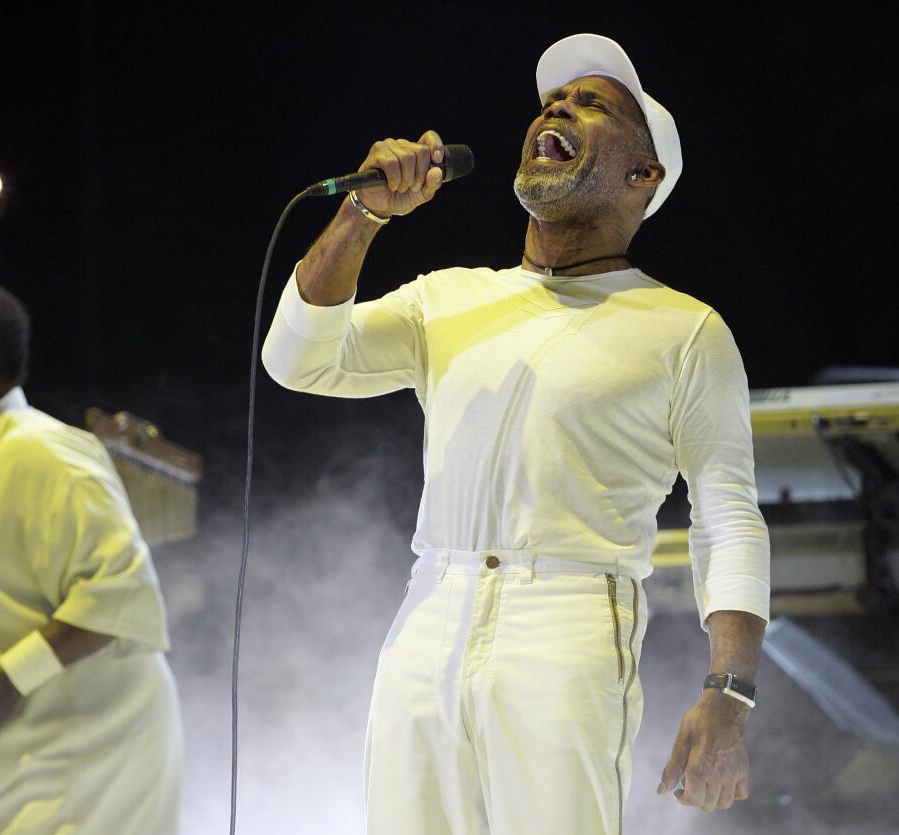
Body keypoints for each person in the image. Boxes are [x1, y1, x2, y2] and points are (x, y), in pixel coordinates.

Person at [261, 33, 769, 834]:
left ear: (645, 173)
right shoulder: (452, 296)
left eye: (591, 104)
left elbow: (730, 518)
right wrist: (363, 214)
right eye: (551, 102)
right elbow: (296, 358)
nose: (558, 107)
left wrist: (729, 693)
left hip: (568, 616)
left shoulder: (685, 329)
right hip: (430, 609)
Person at [0, 273, 182, 834]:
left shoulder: (43, 452)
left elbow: (124, 593)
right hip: (18, 781)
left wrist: (5, 679)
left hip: (85, 776)